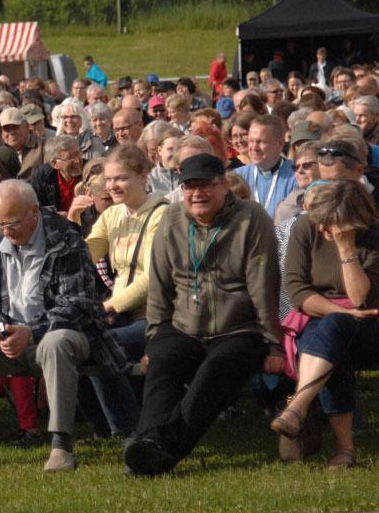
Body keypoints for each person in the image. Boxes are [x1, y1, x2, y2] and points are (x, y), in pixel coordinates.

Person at [0, 180, 129, 472]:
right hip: (9, 338)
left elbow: (78, 304)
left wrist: (32, 331)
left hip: (63, 337)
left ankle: (61, 446)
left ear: (34, 212)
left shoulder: (66, 239)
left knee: (57, 342)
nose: (5, 230)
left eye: (12, 223)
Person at [124, 154, 284, 476]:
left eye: (206, 186)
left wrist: (273, 344)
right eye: (190, 187)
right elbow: (159, 286)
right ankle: (149, 444)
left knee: (215, 370)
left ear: (224, 185)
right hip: (183, 325)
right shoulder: (171, 219)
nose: (197, 194)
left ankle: (159, 447)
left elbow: (263, 289)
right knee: (164, 363)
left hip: (239, 328)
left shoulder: (251, 219)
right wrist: (154, 339)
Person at [275, 179, 379, 468]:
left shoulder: (373, 236)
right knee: (331, 341)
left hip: (370, 326)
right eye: (319, 222)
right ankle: (343, 450)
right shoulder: (305, 227)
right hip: (320, 318)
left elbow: (360, 298)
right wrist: (338, 310)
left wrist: (347, 249)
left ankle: (297, 406)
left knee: (330, 334)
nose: (321, 229)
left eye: (330, 225)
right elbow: (296, 290)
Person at [84, 143, 166, 436]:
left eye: (120, 178)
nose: (112, 186)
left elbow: (153, 276)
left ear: (144, 175)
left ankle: (128, 427)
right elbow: (86, 255)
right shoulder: (112, 215)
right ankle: (105, 424)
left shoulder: (162, 214)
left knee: (99, 344)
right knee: (74, 341)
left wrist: (108, 307)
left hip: (153, 315)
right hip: (120, 313)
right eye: (108, 179)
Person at [235, 114, 297, 218]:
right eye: (251, 141)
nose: (254, 147)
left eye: (261, 142)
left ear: (280, 144)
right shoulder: (239, 176)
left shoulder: (296, 175)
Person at [0, 108, 44, 178]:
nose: (11, 132)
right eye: (6, 128)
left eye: (15, 127)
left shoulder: (43, 147)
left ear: (27, 127)